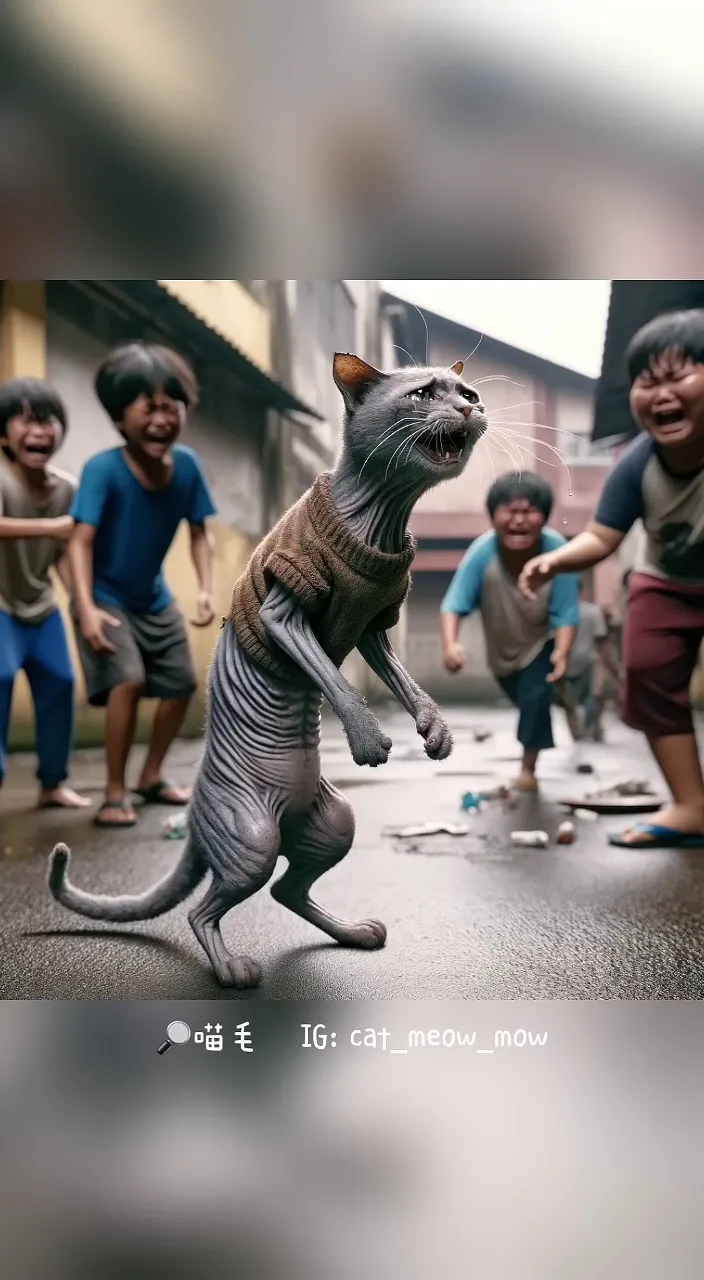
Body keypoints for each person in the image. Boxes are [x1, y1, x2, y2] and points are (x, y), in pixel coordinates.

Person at [518, 308, 704, 848]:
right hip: (663, 581)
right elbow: (603, 538)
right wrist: (556, 559)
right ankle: (692, 806)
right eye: (647, 382)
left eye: (677, 376)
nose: (660, 393)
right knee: (646, 674)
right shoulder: (636, 462)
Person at [68, 342, 217, 828]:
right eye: (147, 408)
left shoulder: (188, 467)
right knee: (127, 681)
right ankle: (114, 791)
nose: (161, 420)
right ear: (119, 417)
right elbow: (79, 542)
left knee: (181, 685)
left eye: (171, 407)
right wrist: (86, 608)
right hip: (104, 596)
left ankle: (150, 776)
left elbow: (200, 533)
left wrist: (204, 588)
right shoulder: (103, 469)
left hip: (153, 598)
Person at [440, 471, 579, 792]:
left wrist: (561, 652)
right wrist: (451, 645)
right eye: (510, 511)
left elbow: (566, 611)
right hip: (502, 652)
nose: (519, 520)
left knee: (535, 695)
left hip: (540, 641)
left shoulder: (558, 552)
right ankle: (558, 699)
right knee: (529, 699)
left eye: (528, 511)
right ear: (493, 516)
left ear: (544, 516)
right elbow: (454, 603)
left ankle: (527, 771)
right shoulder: (482, 553)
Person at [0, 377, 90, 809]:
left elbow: (59, 553)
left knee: (61, 682)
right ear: (3, 436)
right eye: (26, 422)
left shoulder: (66, 489)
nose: (39, 430)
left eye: (48, 421)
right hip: (0, 607)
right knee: (0, 680)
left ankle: (52, 784)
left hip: (41, 607)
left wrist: (79, 599)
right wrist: (54, 527)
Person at [559, 579, 621, 742]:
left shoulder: (560, 611)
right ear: (582, 590)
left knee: (569, 700)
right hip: (588, 658)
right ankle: (591, 729)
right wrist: (610, 664)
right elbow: (601, 641)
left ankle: (576, 732)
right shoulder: (593, 612)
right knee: (590, 697)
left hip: (566, 660)